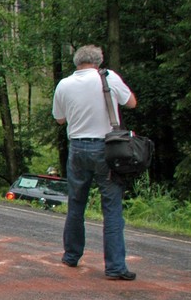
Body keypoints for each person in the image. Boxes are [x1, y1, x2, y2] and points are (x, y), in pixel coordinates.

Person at [52, 44, 138, 280]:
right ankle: (115, 267)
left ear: (76, 62)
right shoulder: (107, 78)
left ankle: (71, 255)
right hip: (106, 147)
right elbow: (131, 103)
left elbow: (60, 119)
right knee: (111, 208)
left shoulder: (64, 84)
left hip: (77, 147)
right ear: (98, 61)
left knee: (76, 204)